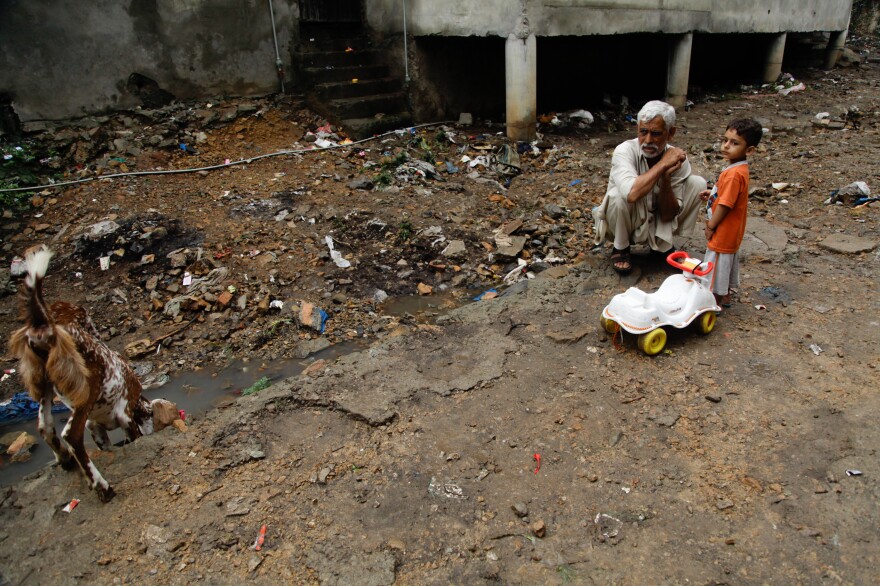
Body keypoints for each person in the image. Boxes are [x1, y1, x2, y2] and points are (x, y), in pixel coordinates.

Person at [593, 100, 706, 274]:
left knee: (697, 183)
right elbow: (631, 194)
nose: (647, 140)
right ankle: (621, 248)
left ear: (670, 133)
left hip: (657, 215)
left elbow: (669, 214)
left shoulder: (676, 159)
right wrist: (662, 165)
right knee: (617, 196)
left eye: (656, 134)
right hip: (628, 217)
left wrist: (666, 178)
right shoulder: (624, 150)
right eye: (643, 132)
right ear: (637, 129)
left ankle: (661, 246)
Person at [701, 118, 763, 308]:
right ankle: (725, 293)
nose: (726, 146)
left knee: (716, 262)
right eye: (725, 140)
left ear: (749, 150)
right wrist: (713, 192)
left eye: (734, 143)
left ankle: (713, 300)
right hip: (733, 229)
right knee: (726, 261)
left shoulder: (734, 174)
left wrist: (711, 226)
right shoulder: (738, 169)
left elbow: (726, 204)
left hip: (724, 228)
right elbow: (727, 195)